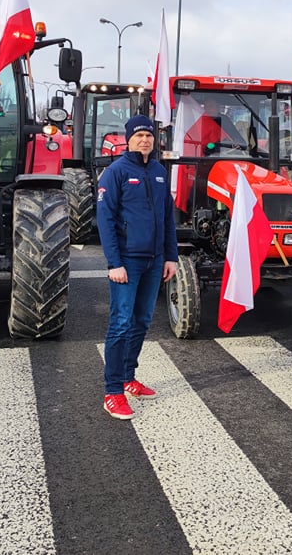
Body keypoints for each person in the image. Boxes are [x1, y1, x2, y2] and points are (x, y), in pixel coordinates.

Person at [96, 114, 178, 420]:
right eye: (139, 135)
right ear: (129, 139)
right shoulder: (115, 173)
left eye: (149, 135)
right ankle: (113, 391)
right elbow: (105, 220)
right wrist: (114, 262)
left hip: (155, 260)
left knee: (142, 321)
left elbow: (168, 217)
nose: (145, 140)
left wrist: (170, 256)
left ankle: (129, 377)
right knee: (120, 323)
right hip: (127, 262)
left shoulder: (158, 171)